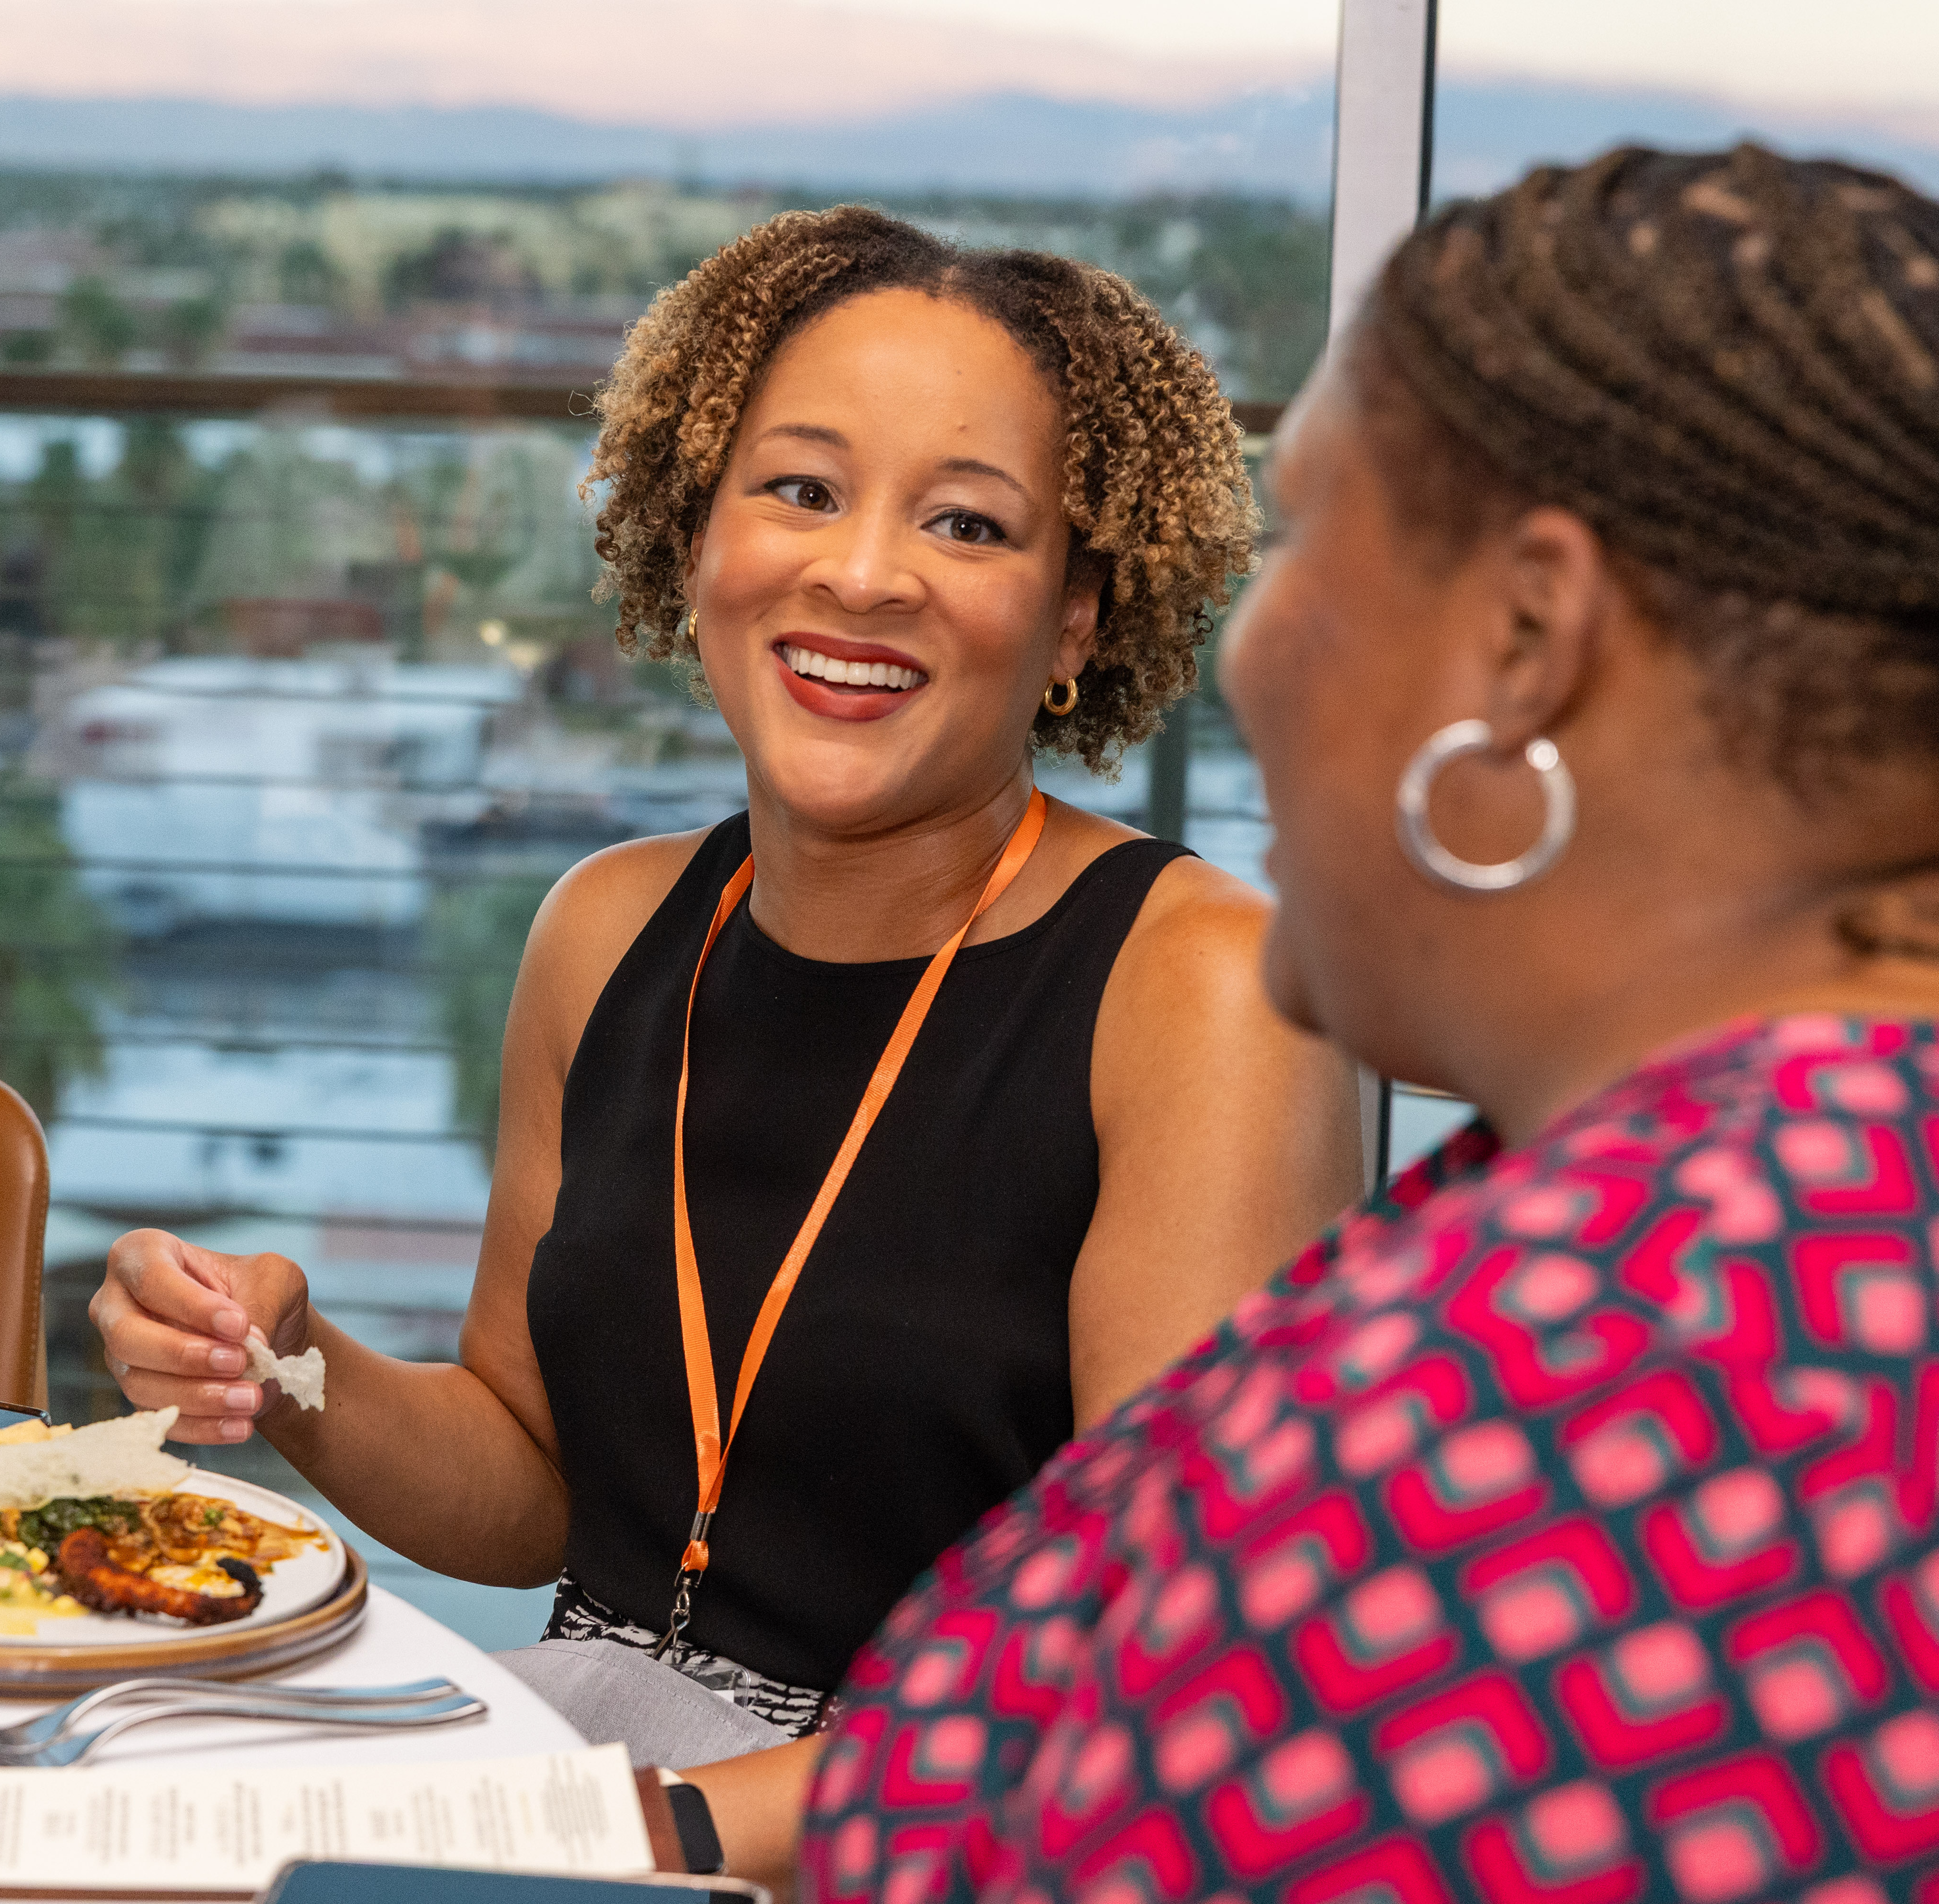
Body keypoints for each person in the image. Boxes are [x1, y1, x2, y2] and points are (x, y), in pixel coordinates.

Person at [802, 143, 1939, 1901]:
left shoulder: (1576, 1400)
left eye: (1315, 533)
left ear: (1528, 639)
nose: (1252, 655)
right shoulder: (1928, 1164)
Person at [94, 205, 1364, 1886]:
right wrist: (293, 1371)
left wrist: (646, 1831)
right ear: (694, 539)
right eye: (802, 488)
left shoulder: (1204, 989)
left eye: (970, 522)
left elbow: (1141, 1666)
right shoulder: (605, 928)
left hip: (928, 1845)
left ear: (1075, 624)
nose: (861, 571)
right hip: (579, 1775)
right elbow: (530, 1479)